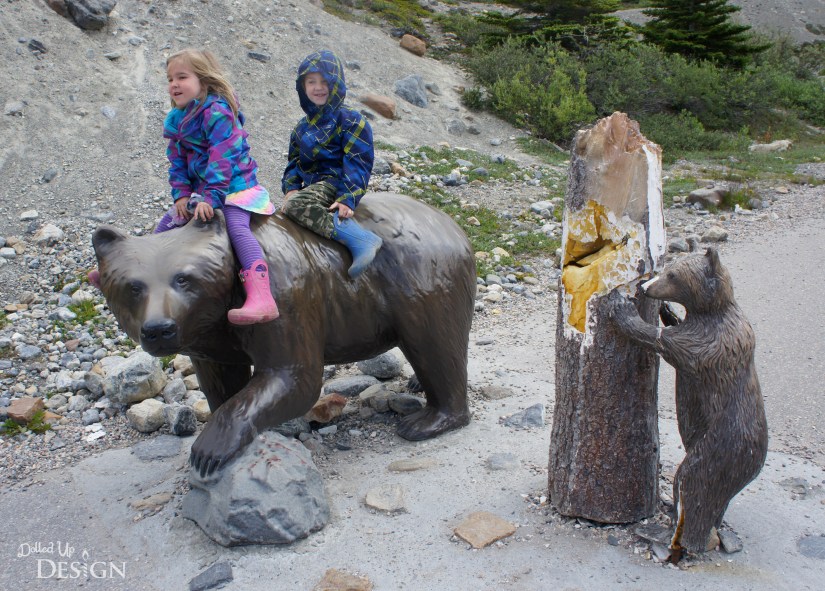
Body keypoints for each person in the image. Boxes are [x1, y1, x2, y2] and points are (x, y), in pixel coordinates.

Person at [156, 48, 278, 325]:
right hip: (202, 194)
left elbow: (222, 157)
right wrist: (181, 195)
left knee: (235, 226)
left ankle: (262, 296)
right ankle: (135, 275)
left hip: (235, 188)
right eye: (170, 78)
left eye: (182, 77)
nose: (173, 84)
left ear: (204, 81)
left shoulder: (218, 111)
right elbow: (176, 162)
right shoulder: (177, 120)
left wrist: (211, 197)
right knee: (166, 225)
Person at [281, 49, 381, 278]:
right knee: (287, 207)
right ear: (302, 87)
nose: (318, 87)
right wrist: (291, 188)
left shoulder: (351, 120)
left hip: (334, 182)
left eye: (324, 81)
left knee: (298, 207)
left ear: (336, 83)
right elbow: (294, 162)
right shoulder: (301, 127)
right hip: (310, 186)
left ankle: (360, 238)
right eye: (311, 82)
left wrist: (348, 197)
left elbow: (358, 162)